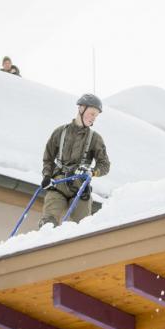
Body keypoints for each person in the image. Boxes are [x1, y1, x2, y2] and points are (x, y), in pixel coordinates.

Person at [38, 94, 111, 228]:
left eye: (96, 116)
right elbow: (48, 158)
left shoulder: (95, 139)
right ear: (81, 108)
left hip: (80, 187)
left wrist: (93, 172)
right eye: (92, 113)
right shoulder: (60, 132)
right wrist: (47, 176)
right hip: (58, 184)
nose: (93, 118)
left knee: (82, 227)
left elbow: (104, 165)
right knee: (47, 223)